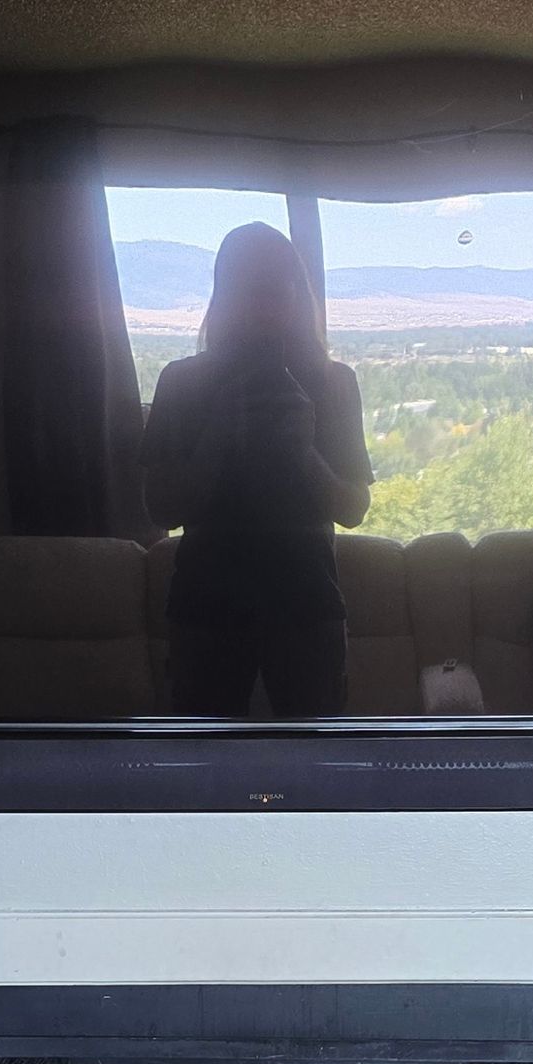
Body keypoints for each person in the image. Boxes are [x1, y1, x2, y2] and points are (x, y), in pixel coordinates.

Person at [141, 222, 373, 718]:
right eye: (246, 290)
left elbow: (354, 509)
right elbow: (159, 508)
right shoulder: (182, 383)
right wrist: (220, 435)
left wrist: (302, 451)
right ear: (223, 297)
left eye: (272, 290)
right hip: (211, 609)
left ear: (296, 295)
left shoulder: (334, 384)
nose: (259, 306)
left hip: (301, 605)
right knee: (211, 761)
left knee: (308, 759)